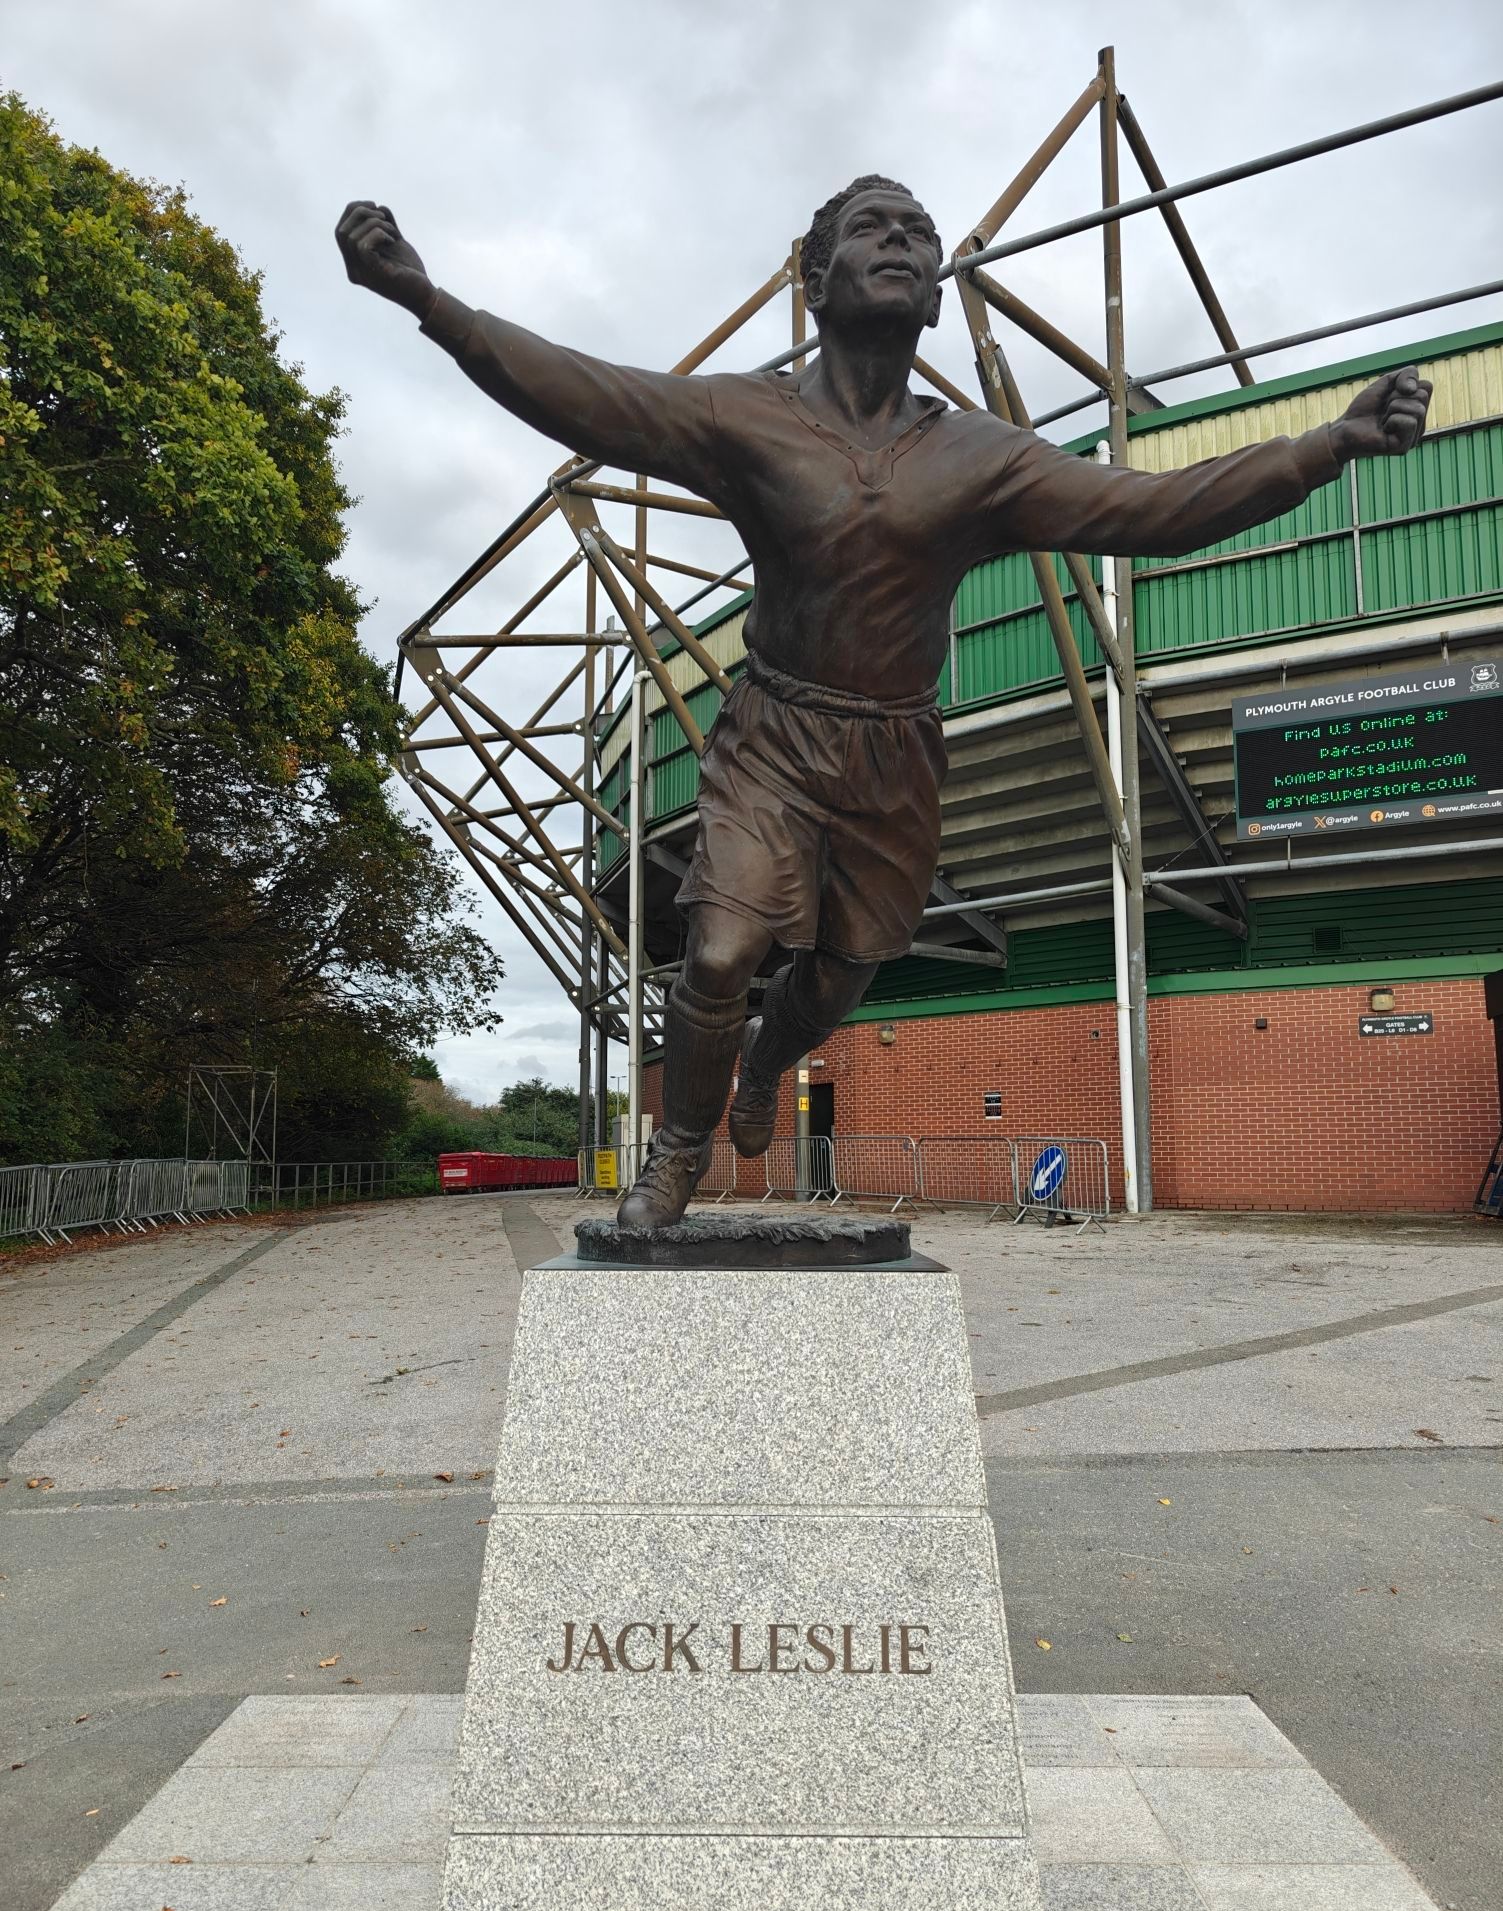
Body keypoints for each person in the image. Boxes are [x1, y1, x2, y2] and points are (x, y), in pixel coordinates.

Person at [337, 176, 1432, 1228]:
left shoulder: (978, 455)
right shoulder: (747, 419)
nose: (903, 240)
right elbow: (591, 394)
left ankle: (770, 1057)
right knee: (721, 949)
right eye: (872, 227)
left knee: (845, 971)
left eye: (919, 231)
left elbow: (1152, 507)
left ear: (939, 299)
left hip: (894, 754)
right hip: (774, 730)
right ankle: (679, 1155)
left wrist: (1323, 444)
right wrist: (430, 302)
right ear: (815, 280)